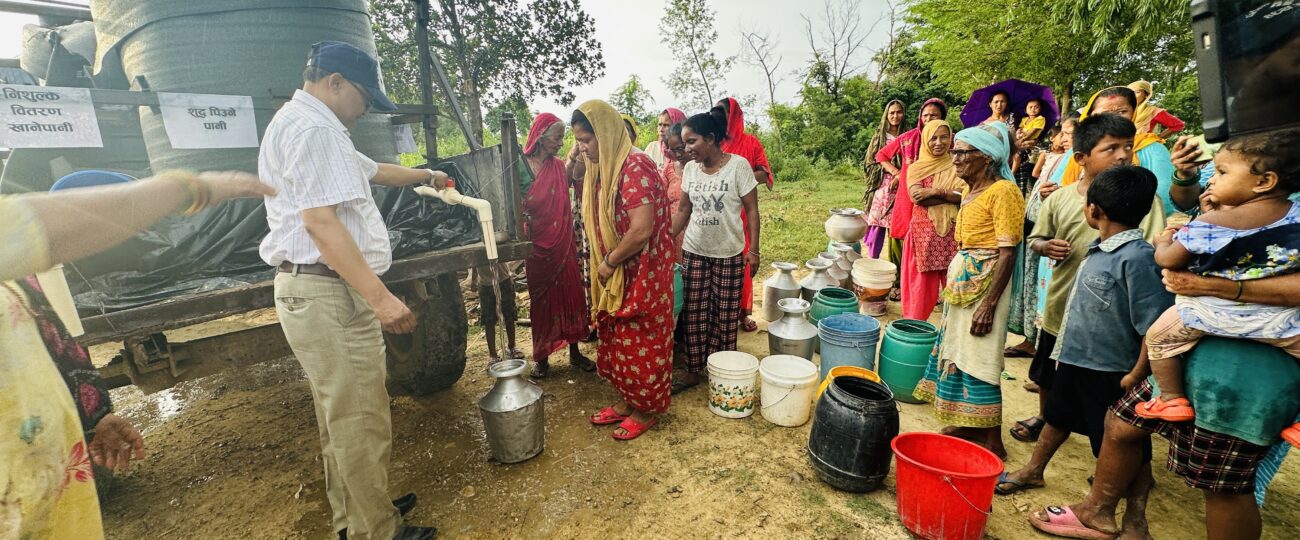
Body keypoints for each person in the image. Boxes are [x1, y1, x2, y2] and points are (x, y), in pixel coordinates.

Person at [1, 170, 272, 539]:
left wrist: (91, 416)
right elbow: (46, 228)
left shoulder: (13, 277)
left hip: (45, 490)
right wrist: (193, 188)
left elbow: (42, 338)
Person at [257, 41, 441, 540]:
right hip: (327, 294)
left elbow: (376, 171)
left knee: (339, 417)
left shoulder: (308, 124)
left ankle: (358, 513)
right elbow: (320, 222)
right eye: (363, 97)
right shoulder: (315, 129)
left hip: (313, 291)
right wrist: (381, 298)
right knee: (361, 418)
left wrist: (429, 174)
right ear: (334, 82)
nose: (365, 110)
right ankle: (376, 530)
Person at [1032, 269, 1300, 540]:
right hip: (1189, 353)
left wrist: (1216, 287)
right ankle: (1097, 511)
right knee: (1121, 423)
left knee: (1224, 485)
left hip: (1247, 372)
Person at [996, 165, 1170, 497]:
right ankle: (1034, 470)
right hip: (1076, 360)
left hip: (1112, 371)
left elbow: (1154, 325)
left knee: (1121, 440)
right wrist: (1063, 353)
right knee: (1057, 417)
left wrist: (1136, 374)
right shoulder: (1097, 249)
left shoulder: (1138, 259)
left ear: (1093, 209)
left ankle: (1131, 516)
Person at [1137, 129, 1300, 443]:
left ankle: (1171, 399)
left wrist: (1165, 240)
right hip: (1282, 321)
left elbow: (1170, 261)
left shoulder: (1211, 223)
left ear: (1264, 181)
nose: (1212, 178)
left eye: (1222, 172)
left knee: (1158, 339)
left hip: (1210, 314)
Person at [1013, 114, 1167, 444]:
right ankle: (1045, 417)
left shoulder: (1144, 201)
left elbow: (1151, 255)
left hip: (1111, 326)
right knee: (1049, 375)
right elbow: (1036, 237)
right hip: (1061, 309)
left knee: (1108, 395)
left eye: (1128, 147)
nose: (1123, 155)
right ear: (1081, 158)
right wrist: (1045, 245)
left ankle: (1117, 453)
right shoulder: (1061, 197)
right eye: (1111, 148)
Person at [913, 122, 1025, 459]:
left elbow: (1008, 252)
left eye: (963, 153)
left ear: (987, 158)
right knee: (960, 351)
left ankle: (992, 438)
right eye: (955, 152)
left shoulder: (1003, 191)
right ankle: (970, 422)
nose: (955, 158)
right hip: (967, 285)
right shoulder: (972, 192)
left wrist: (988, 305)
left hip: (986, 286)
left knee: (981, 358)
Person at [572, 99, 675, 441]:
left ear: (605, 133)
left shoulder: (635, 167)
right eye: (579, 141)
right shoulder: (607, 165)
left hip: (642, 269)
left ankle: (645, 409)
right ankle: (627, 401)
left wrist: (608, 262)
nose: (582, 148)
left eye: (586, 140)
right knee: (617, 335)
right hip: (619, 268)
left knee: (641, 336)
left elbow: (641, 229)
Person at [670, 113, 761, 393]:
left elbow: (752, 210)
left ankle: (724, 368)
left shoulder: (738, 167)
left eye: (692, 142)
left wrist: (754, 250)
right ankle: (693, 370)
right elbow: (684, 209)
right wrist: (664, 238)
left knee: (724, 315)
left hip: (729, 252)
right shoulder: (691, 170)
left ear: (710, 139)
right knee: (694, 313)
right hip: (695, 250)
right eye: (685, 143)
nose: (687, 149)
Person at [519, 113, 594, 378]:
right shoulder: (521, 166)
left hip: (562, 240)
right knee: (541, 299)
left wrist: (575, 156)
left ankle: (575, 352)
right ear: (540, 137)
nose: (560, 143)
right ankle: (542, 357)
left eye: (563, 137)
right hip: (536, 244)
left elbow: (571, 177)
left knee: (571, 292)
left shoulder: (558, 164)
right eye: (556, 137)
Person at [1006, 119, 1077, 361]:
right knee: (1034, 285)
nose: (1065, 138)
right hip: (1039, 226)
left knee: (1051, 293)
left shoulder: (1075, 160)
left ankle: (1043, 350)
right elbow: (1038, 180)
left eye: (1070, 133)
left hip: (1060, 233)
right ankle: (1030, 339)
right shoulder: (1056, 158)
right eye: (1063, 133)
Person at [1054, 86, 1177, 216]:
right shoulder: (1080, 148)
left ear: (1134, 113)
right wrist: (1048, 193)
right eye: (1105, 112)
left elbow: (1164, 198)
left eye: (1122, 111)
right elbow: (1057, 186)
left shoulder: (1152, 147)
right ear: (1090, 115)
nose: (1114, 117)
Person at [880, 98, 950, 300]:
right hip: (907, 195)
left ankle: (932, 290)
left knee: (934, 238)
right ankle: (899, 284)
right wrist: (897, 172)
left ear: (942, 118)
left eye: (934, 116)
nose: (928, 119)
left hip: (936, 198)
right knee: (901, 236)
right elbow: (881, 155)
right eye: (925, 115)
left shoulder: (947, 140)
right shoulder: (907, 138)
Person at [713, 97, 773, 332]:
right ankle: (717, 314)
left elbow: (764, 172)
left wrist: (740, 176)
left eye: (722, 112)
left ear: (734, 117)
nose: (718, 116)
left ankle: (741, 315)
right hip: (715, 211)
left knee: (741, 263)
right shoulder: (712, 141)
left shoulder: (750, 143)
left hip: (741, 213)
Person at [899, 120, 962, 320]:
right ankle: (914, 332)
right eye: (933, 138)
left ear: (951, 138)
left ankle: (953, 338)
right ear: (925, 140)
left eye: (944, 137)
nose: (939, 142)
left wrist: (935, 192)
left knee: (956, 287)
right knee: (920, 291)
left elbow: (963, 194)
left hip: (952, 235)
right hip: (923, 236)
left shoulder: (957, 164)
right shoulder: (917, 168)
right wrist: (948, 194)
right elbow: (916, 197)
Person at [863, 99, 907, 259]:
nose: (895, 116)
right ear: (886, 115)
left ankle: (896, 269)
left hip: (904, 185)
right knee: (877, 223)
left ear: (904, 114)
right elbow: (870, 162)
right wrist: (892, 173)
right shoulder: (879, 138)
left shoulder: (909, 136)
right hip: (882, 186)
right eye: (892, 113)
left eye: (899, 112)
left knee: (898, 227)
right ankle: (872, 261)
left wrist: (901, 175)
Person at [663, 122, 690, 262]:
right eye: (673, 151)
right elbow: (660, 199)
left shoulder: (700, 168)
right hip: (673, 231)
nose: (678, 154)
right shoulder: (669, 169)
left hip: (693, 232)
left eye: (681, 148)